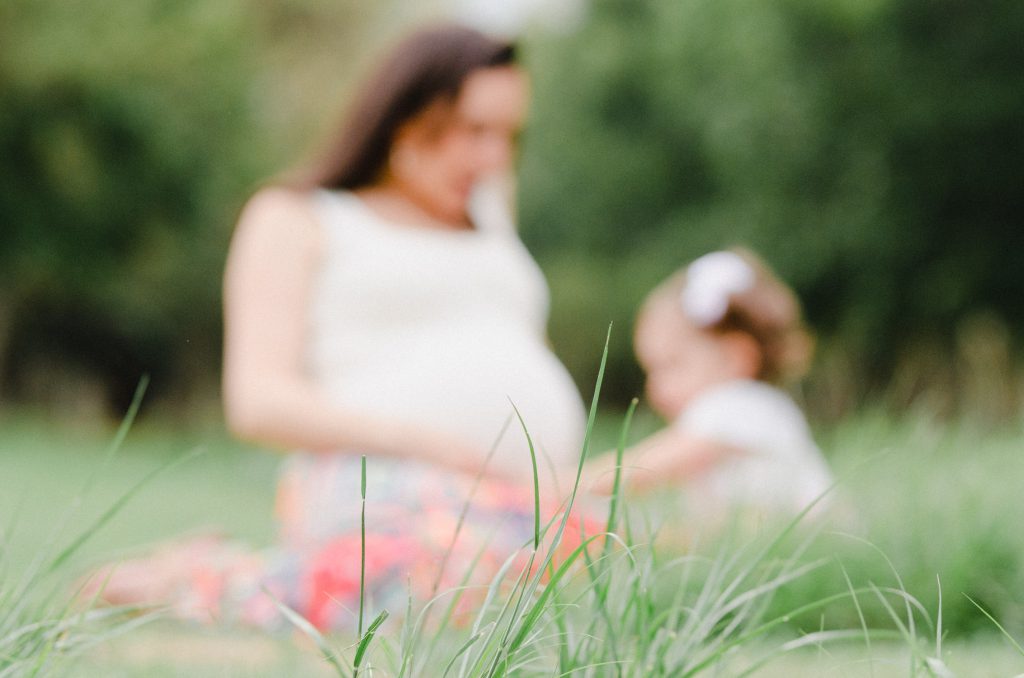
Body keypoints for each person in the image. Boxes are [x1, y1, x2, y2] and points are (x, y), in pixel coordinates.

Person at [91, 24, 589, 631]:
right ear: (404, 116)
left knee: (584, 559)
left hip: (512, 493)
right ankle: (195, 581)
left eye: (510, 135)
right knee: (443, 575)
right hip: (377, 477)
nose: (495, 158)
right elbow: (257, 402)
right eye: (475, 130)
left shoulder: (490, 215)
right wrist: (431, 442)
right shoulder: (298, 218)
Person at [585, 249, 833, 525]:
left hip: (812, 538)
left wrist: (560, 485)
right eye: (650, 371)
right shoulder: (755, 407)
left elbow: (641, 471)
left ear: (734, 358)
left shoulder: (738, 405)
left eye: (670, 365)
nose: (654, 387)